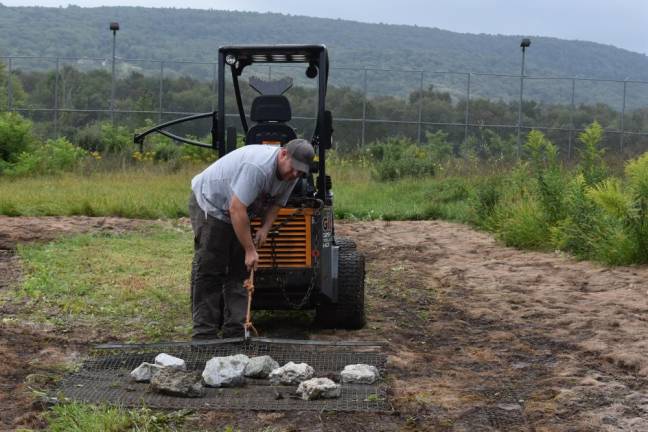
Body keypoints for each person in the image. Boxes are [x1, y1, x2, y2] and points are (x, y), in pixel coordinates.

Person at [188, 138, 315, 340]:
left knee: (241, 273)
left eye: (300, 172)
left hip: (239, 210)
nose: (295, 175)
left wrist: (265, 228)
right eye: (293, 168)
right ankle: (204, 334)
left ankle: (236, 332)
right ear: (283, 154)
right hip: (212, 204)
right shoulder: (257, 167)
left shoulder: (293, 176)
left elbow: (276, 204)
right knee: (211, 270)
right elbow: (236, 209)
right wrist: (249, 249)